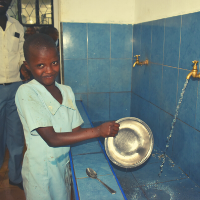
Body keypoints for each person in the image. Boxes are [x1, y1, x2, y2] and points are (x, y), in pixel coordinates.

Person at [15, 33, 120, 200]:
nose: (49, 70)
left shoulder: (67, 91)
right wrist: (99, 131)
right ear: (27, 66)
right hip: (40, 170)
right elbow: (52, 139)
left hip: (63, 165)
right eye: (40, 65)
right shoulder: (27, 92)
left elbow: (76, 131)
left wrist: (107, 135)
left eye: (54, 63)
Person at [0, 0, 26, 190]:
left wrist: (26, 68)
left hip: (16, 86)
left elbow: (22, 54)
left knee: (16, 135)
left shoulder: (17, 26)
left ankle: (15, 176)